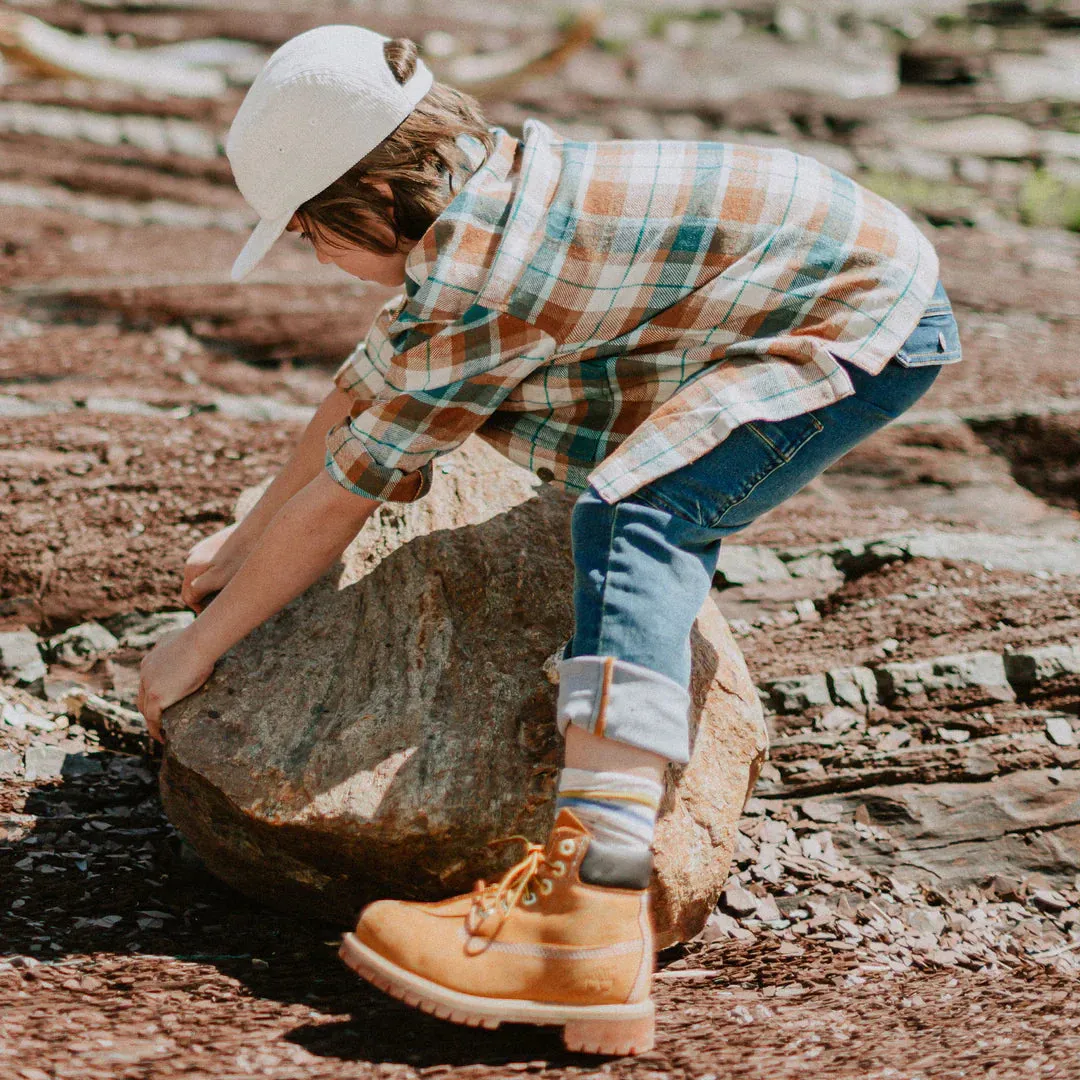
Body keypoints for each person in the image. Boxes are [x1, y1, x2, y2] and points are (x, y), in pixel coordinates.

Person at [137, 24, 962, 1055]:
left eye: (309, 231)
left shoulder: (483, 279)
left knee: (640, 512)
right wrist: (240, 541)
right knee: (596, 476)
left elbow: (351, 488)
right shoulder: (478, 206)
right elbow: (362, 391)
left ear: (373, 203)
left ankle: (593, 911)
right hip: (791, 277)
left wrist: (198, 649)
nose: (317, 257)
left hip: (855, 313)